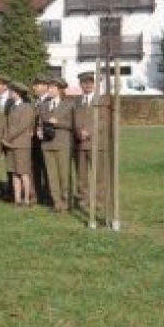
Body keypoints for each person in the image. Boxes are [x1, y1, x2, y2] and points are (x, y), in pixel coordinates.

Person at [73, 70, 113, 220]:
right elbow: (74, 120)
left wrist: (89, 132)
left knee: (98, 174)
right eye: (85, 82)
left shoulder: (102, 100)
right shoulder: (77, 101)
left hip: (97, 143)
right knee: (81, 175)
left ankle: (99, 201)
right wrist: (78, 132)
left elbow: (104, 121)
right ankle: (83, 200)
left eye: (91, 82)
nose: (88, 85)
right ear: (80, 85)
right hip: (80, 144)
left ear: (96, 84)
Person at [38, 75, 75, 213]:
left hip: (62, 144)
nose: (50, 89)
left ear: (59, 90)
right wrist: (39, 131)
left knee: (64, 175)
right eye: (49, 87)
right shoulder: (44, 105)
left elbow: (73, 124)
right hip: (47, 144)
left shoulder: (69, 105)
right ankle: (57, 202)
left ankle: (67, 203)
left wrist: (58, 122)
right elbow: (40, 123)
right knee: (52, 175)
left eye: (52, 87)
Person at [1, 82, 36, 206]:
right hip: (11, 144)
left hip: (21, 145)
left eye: (11, 91)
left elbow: (22, 126)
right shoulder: (12, 107)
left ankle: (26, 199)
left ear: (18, 93)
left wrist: (7, 138)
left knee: (23, 172)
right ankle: (17, 199)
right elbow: (7, 124)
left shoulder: (27, 107)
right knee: (14, 172)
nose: (10, 93)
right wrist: (5, 138)